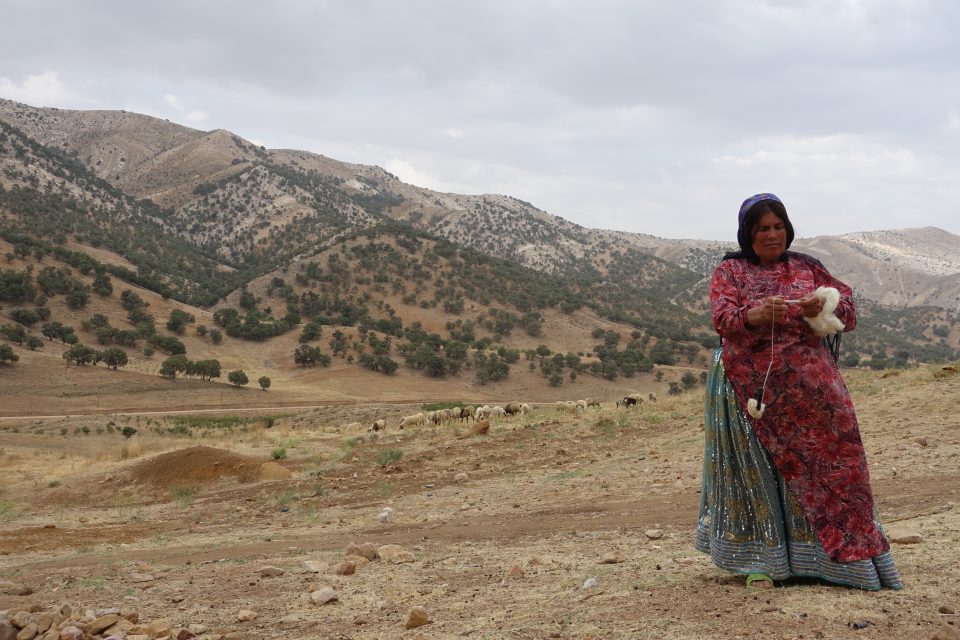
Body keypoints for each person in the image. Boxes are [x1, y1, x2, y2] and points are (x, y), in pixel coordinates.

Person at [695, 193, 902, 591]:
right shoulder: (731, 272)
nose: (772, 235)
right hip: (749, 391)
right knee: (756, 472)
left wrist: (822, 306)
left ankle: (835, 562)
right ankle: (760, 561)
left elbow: (849, 313)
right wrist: (755, 314)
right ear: (747, 234)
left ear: (787, 229)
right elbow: (722, 318)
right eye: (762, 229)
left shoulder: (808, 268)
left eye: (778, 227)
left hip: (813, 389)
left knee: (834, 467)